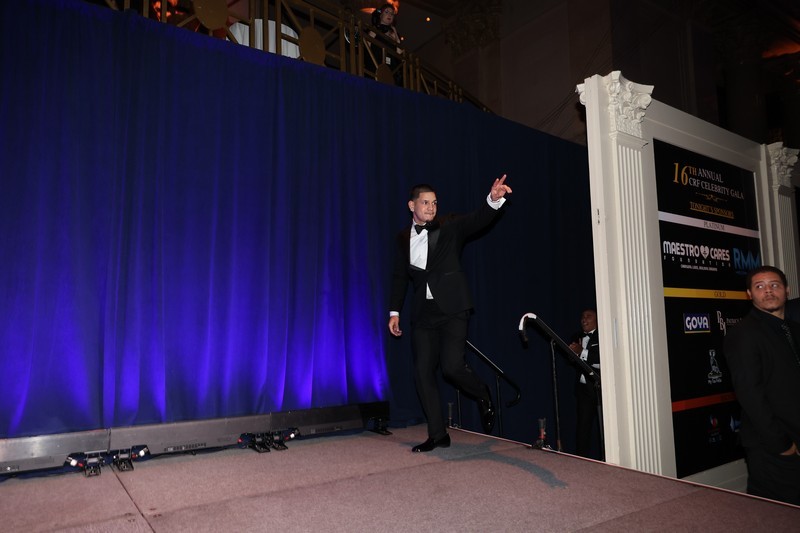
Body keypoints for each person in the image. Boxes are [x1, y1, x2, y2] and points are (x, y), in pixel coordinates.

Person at [388, 175, 512, 452]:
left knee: (452, 367)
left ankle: (482, 392)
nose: (431, 207)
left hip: (453, 307)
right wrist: (394, 311)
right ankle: (438, 434)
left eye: (434, 203)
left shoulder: (449, 225)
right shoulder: (402, 238)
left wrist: (493, 200)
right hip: (423, 313)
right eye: (425, 202)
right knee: (422, 373)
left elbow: (477, 220)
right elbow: (399, 277)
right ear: (411, 205)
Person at [723, 265, 800, 505]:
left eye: (774, 285)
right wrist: (782, 445)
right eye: (760, 286)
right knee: (774, 515)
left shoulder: (794, 329)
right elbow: (750, 395)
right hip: (772, 446)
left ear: (787, 290)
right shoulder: (744, 334)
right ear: (749, 294)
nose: (768, 291)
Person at [567, 308, 602, 458]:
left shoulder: (603, 335)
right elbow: (571, 359)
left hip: (600, 389)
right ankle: (580, 460)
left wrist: (582, 351)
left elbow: (601, 359)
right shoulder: (576, 336)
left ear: (597, 320)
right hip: (583, 390)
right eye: (582, 316)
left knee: (605, 428)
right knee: (582, 428)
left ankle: (608, 458)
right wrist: (572, 354)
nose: (584, 319)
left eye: (588, 316)